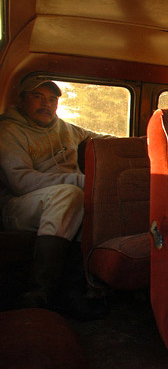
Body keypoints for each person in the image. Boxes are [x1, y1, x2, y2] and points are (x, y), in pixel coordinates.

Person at [0, 77, 109, 320]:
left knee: (90, 199)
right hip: (20, 206)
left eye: (52, 99)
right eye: (37, 97)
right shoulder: (8, 131)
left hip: (64, 202)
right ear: (21, 100)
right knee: (70, 194)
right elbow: (21, 182)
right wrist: (80, 181)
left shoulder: (66, 128)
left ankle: (79, 290)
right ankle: (40, 292)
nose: (46, 104)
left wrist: (140, 142)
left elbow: (101, 137)